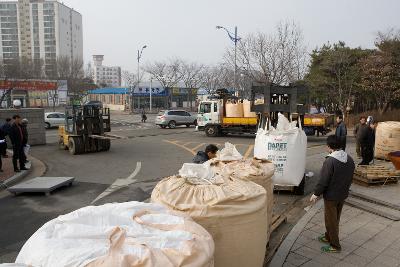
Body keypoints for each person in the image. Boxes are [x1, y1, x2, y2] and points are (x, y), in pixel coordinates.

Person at [310, 135, 355, 253]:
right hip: (343, 194)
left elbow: (323, 180)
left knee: (331, 220)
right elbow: (351, 177)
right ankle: (328, 236)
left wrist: (316, 194)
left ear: (329, 147)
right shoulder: (349, 158)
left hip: (331, 196)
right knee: (335, 218)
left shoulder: (330, 161)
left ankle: (335, 245)